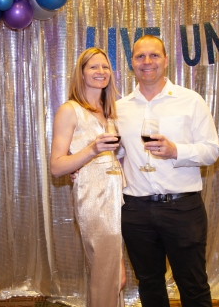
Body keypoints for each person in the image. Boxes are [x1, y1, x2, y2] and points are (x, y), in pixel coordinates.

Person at [116, 35, 219, 307]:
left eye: (153, 55)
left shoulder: (190, 100)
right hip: (136, 209)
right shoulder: (119, 108)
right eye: (140, 56)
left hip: (182, 209)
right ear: (132, 63)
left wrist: (177, 151)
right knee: (149, 283)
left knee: (193, 284)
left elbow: (212, 150)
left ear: (165, 60)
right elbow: (115, 154)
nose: (147, 62)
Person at [50, 47, 126, 307]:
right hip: (94, 198)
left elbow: (119, 156)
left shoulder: (110, 111)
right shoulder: (70, 110)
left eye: (105, 67)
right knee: (105, 276)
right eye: (93, 67)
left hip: (118, 197)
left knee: (117, 277)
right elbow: (57, 166)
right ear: (81, 73)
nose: (100, 72)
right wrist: (91, 150)